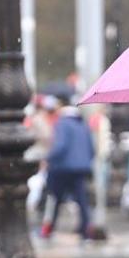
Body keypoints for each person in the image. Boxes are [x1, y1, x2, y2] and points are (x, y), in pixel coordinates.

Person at [40, 101, 95, 240]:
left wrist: (48, 158)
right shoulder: (83, 124)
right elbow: (91, 147)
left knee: (55, 199)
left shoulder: (63, 123)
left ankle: (49, 228)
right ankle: (86, 228)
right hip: (81, 167)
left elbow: (60, 146)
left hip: (63, 168)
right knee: (81, 200)